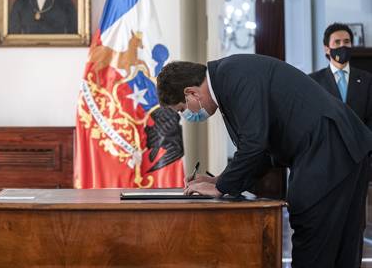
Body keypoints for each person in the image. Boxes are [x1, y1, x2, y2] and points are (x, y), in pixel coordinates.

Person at [156, 54, 372, 268]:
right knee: (342, 247)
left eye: (182, 109)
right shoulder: (226, 78)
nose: (187, 114)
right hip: (340, 145)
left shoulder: (233, 75)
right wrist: (219, 180)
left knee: (313, 238)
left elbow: (254, 144)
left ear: (192, 93)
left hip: (328, 148)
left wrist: (220, 187)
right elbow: (261, 151)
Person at [310, 22, 372, 130]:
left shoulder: (367, 79)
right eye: (337, 42)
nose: (342, 46)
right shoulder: (314, 81)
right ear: (327, 49)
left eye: (346, 42)